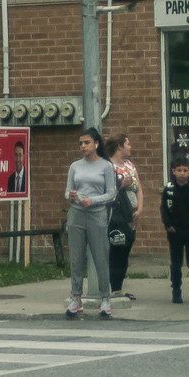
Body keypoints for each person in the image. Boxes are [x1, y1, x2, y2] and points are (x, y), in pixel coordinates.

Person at [64, 127, 117, 319]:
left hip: (97, 215)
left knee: (100, 256)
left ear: (96, 144)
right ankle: (76, 298)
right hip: (77, 214)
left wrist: (93, 200)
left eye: (86, 143)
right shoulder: (75, 166)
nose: (83, 146)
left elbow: (111, 193)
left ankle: (105, 298)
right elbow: (67, 191)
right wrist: (71, 196)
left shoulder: (106, 166)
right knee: (76, 258)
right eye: (80, 143)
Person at [160, 156, 189, 304]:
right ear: (173, 171)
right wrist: (168, 224)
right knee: (176, 263)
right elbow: (164, 209)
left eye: (185, 170)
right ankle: (176, 291)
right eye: (179, 170)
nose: (182, 173)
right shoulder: (169, 189)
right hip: (175, 231)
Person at [106, 134, 143, 301]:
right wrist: (121, 185)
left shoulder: (130, 165)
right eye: (128, 144)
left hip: (131, 215)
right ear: (120, 146)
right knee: (116, 250)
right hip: (116, 215)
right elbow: (104, 192)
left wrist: (140, 209)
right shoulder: (108, 166)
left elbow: (139, 189)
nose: (130, 146)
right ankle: (112, 288)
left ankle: (119, 288)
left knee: (126, 251)